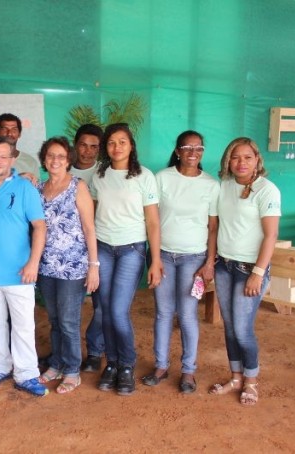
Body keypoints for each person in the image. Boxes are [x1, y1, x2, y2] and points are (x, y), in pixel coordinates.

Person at [0, 135, 48, 397]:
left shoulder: (25, 187)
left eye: (3, 156)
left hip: (19, 272)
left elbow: (39, 226)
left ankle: (26, 374)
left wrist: (33, 263)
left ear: (13, 159)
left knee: (24, 326)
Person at [142, 131, 219, 393]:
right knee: (163, 313)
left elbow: (212, 228)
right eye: (186, 147)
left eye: (198, 148)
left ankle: (188, 371)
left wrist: (209, 263)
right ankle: (161, 366)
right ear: (177, 150)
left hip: (194, 259)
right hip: (163, 255)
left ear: (203, 152)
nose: (192, 152)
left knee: (187, 315)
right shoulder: (162, 178)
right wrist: (154, 259)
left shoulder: (211, 184)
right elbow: (152, 220)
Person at [90, 123, 162, 396]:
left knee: (119, 311)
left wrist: (155, 260)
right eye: (111, 142)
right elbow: (92, 214)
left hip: (131, 249)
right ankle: (112, 363)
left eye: (122, 141)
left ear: (131, 145)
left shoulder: (144, 176)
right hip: (103, 248)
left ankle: (127, 364)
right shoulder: (99, 175)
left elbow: (153, 222)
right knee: (105, 310)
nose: (116, 147)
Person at [209, 137, 280, 406]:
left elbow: (271, 235)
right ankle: (236, 377)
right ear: (228, 160)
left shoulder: (267, 190)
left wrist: (258, 273)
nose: (242, 163)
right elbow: (215, 228)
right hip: (225, 266)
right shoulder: (224, 187)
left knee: (242, 329)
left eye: (248, 157)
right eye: (236, 157)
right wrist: (212, 261)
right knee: (229, 328)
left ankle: (251, 380)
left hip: (250, 269)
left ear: (257, 160)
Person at [36, 137, 99, 394]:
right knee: (53, 319)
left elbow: (89, 227)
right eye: (51, 155)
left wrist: (93, 265)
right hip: (46, 265)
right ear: (44, 159)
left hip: (73, 266)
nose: (55, 160)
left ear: (68, 159)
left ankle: (72, 370)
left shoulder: (77, 186)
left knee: (69, 321)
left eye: (61, 156)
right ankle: (56, 363)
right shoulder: (38, 189)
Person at [70, 123, 105, 373]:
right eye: (83, 145)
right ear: (75, 145)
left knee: (100, 302)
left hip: (99, 243)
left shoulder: (106, 172)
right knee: (67, 306)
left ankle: (94, 351)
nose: (88, 151)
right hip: (68, 250)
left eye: (94, 146)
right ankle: (66, 350)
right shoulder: (61, 168)